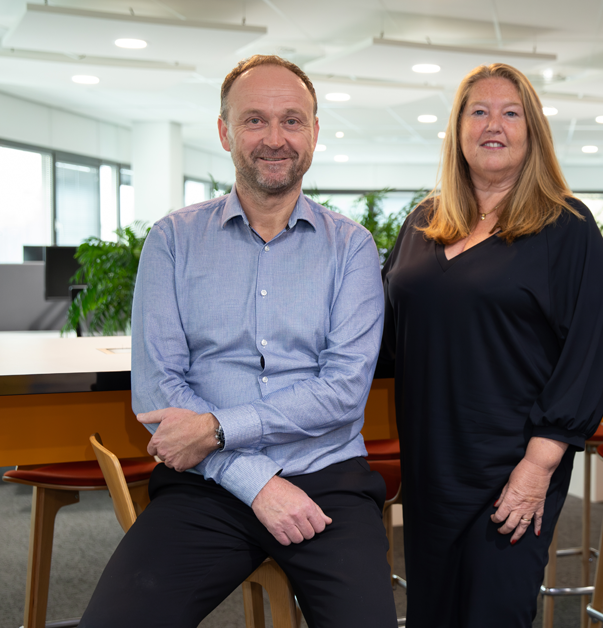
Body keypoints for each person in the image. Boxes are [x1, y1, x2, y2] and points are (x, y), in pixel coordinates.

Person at [78, 55, 396, 628]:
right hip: (206, 483)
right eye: (254, 120)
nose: (275, 138)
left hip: (327, 480)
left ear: (314, 133)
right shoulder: (172, 241)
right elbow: (157, 390)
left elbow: (344, 391)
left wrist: (217, 428)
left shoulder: (352, 247)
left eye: (292, 121)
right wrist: (256, 482)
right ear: (225, 132)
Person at [381, 63, 603, 627]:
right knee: (432, 612)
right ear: (458, 129)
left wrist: (538, 466)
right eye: (479, 111)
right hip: (431, 463)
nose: (494, 124)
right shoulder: (422, 223)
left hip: (515, 464)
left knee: (495, 612)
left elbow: (589, 353)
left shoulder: (567, 226)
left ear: (532, 130)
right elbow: (383, 329)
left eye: (511, 113)